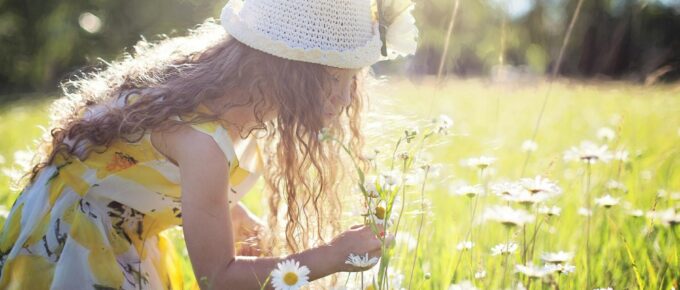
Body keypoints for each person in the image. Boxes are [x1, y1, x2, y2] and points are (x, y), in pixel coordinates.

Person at [0, 0, 417, 288]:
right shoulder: (204, 141)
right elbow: (217, 278)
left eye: (353, 79)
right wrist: (330, 255)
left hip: (119, 227)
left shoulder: (223, 90)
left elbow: (143, 166)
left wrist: (235, 214)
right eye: (334, 79)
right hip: (73, 238)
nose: (346, 99)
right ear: (289, 71)